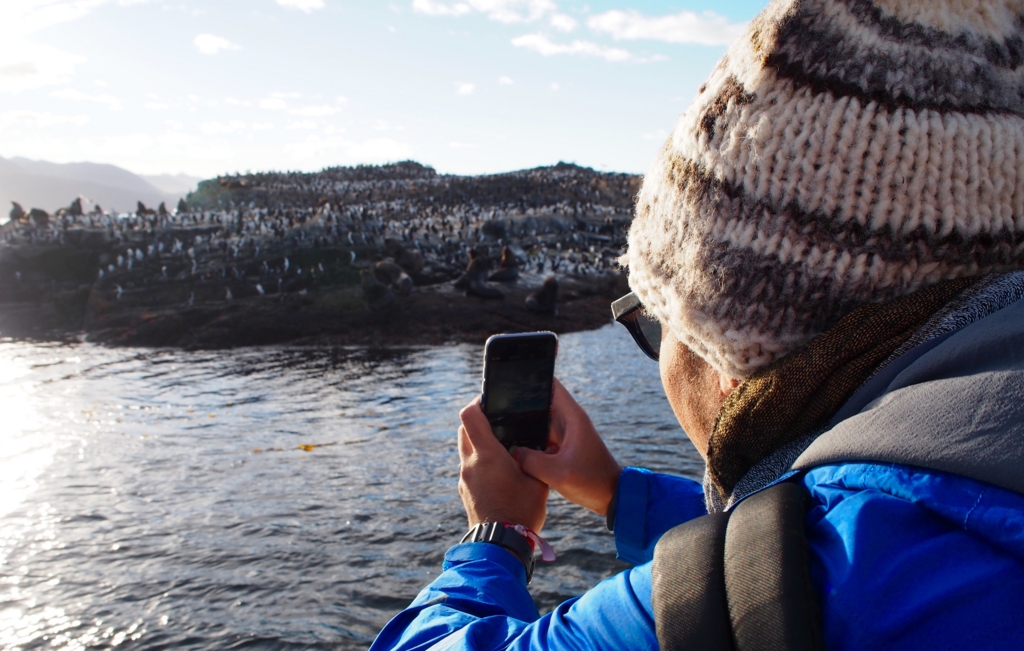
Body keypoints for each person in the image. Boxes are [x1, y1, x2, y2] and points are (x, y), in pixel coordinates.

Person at [371, 0, 1024, 648]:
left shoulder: (825, 590)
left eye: (657, 319)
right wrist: (617, 493)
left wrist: (499, 533)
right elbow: (845, 521)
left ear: (730, 358)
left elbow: (781, 572)